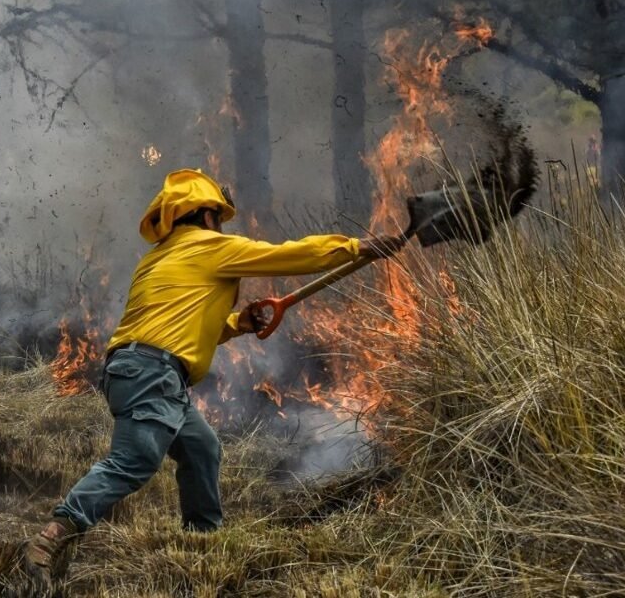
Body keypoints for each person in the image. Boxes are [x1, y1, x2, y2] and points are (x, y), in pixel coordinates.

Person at [24, 169, 406, 573]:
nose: (222, 227)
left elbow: (184, 328)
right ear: (206, 215)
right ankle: (53, 536)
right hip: (152, 373)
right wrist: (356, 247)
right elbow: (287, 255)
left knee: (200, 447)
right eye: (219, 218)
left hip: (139, 370)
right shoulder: (208, 245)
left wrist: (239, 323)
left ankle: (202, 541)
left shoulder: (158, 258)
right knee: (134, 460)